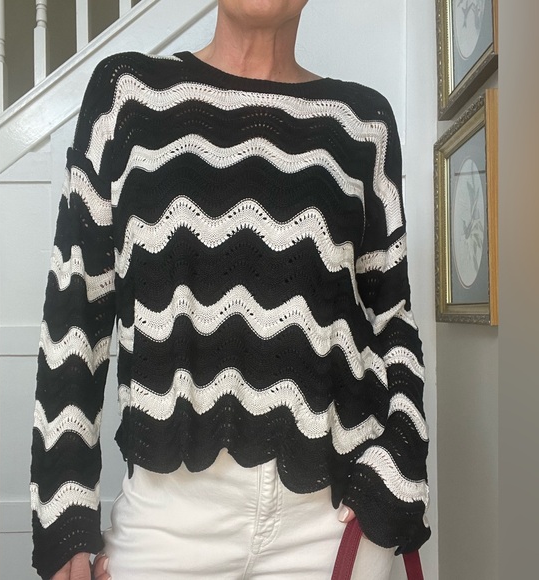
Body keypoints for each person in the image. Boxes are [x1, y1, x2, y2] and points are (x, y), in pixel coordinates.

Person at [30, 1, 431, 578]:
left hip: (333, 517)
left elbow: (393, 317)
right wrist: (64, 510)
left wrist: (400, 460)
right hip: (170, 519)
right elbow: (76, 308)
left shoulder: (361, 124)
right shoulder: (128, 98)